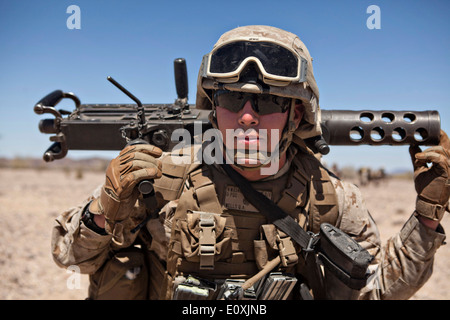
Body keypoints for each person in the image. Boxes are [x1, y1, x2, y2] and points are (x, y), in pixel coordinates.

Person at [51, 25, 449, 300]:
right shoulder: (161, 179)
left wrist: (427, 218)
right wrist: (104, 212)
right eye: (230, 99)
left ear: (296, 115)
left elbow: (373, 291)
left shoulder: (329, 198)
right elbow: (70, 258)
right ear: (213, 108)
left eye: (269, 100)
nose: (246, 116)